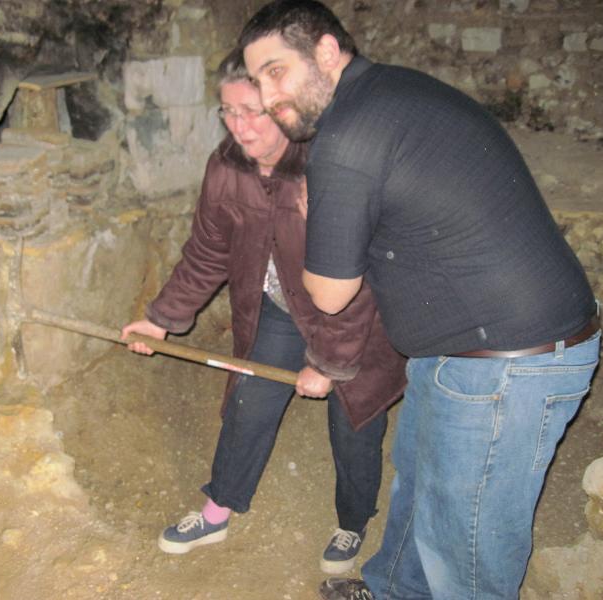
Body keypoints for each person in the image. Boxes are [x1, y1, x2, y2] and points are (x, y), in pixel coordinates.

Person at [239, 2, 601, 599]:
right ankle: (393, 591)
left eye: (276, 71)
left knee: (465, 544)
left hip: (507, 361)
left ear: (325, 52)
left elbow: (330, 293)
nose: (268, 95)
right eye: (257, 80)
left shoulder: (348, 134)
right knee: (419, 484)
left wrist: (312, 221)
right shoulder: (392, 92)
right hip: (461, 347)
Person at [121, 47, 406, 575]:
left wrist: (328, 362)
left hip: (357, 318)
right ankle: (218, 509)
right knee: (250, 401)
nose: (240, 127)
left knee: (354, 420)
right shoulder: (226, 167)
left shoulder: (330, 162)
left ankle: (352, 520)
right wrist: (161, 317)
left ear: (284, 105)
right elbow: (207, 251)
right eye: (229, 111)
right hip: (279, 307)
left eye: (253, 111)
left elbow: (363, 280)